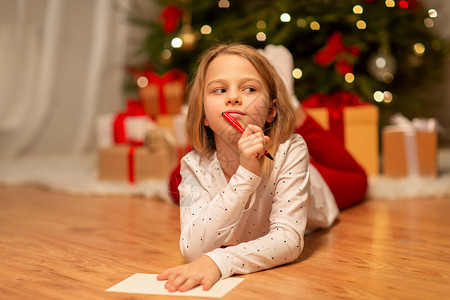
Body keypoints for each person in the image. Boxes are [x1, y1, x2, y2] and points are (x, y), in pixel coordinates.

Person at [158, 43, 367, 292]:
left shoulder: (292, 150)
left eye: (249, 89)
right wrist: (245, 176)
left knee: (359, 180)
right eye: (219, 89)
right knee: (176, 179)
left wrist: (219, 261)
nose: (233, 98)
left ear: (270, 111)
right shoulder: (193, 165)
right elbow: (193, 249)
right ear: (203, 114)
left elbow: (288, 240)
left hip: (308, 183)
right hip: (227, 163)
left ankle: (293, 107)